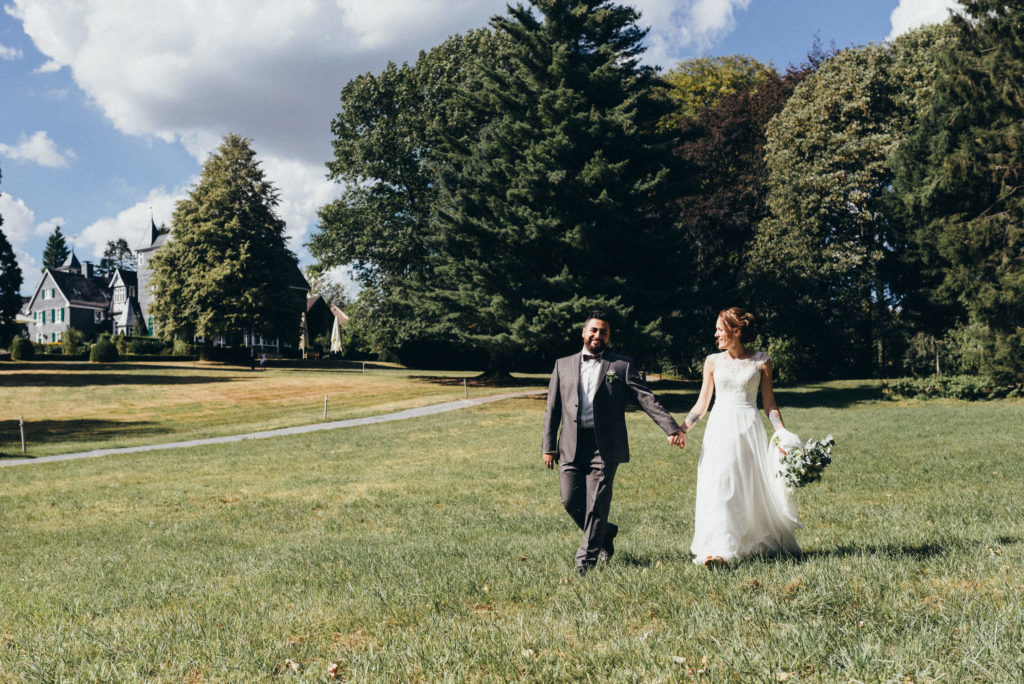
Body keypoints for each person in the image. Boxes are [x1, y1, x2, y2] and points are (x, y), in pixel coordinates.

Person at [542, 310, 686, 576]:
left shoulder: (621, 366)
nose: (598, 335)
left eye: (604, 331)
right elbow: (553, 408)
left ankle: (584, 564)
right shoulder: (562, 365)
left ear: (609, 336)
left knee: (597, 502)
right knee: (569, 500)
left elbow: (646, 398)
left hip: (604, 446)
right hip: (571, 444)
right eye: (593, 330)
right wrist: (548, 446)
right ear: (584, 333)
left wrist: (671, 427)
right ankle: (605, 532)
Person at [682, 307, 800, 567]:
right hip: (719, 428)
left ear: (736, 331)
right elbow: (702, 404)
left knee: (744, 485)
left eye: (719, 329)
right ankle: (719, 549)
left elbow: (769, 405)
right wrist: (683, 429)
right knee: (721, 484)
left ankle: (749, 541)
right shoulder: (713, 361)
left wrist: (783, 435)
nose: (716, 334)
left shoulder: (762, 361)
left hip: (748, 428)